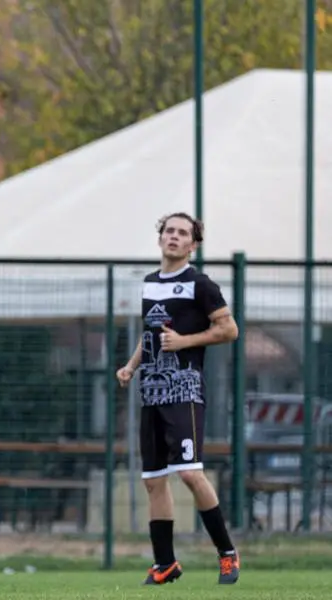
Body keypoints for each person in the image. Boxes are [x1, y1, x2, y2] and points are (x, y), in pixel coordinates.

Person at [116, 212, 240, 585]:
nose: (174, 237)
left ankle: (228, 553)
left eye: (182, 233)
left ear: (193, 244)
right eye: (169, 231)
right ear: (160, 239)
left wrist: (185, 342)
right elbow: (151, 332)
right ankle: (165, 564)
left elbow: (229, 330)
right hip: (151, 390)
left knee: (188, 472)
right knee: (154, 480)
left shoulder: (200, 285)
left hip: (184, 388)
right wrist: (132, 365)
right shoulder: (151, 283)